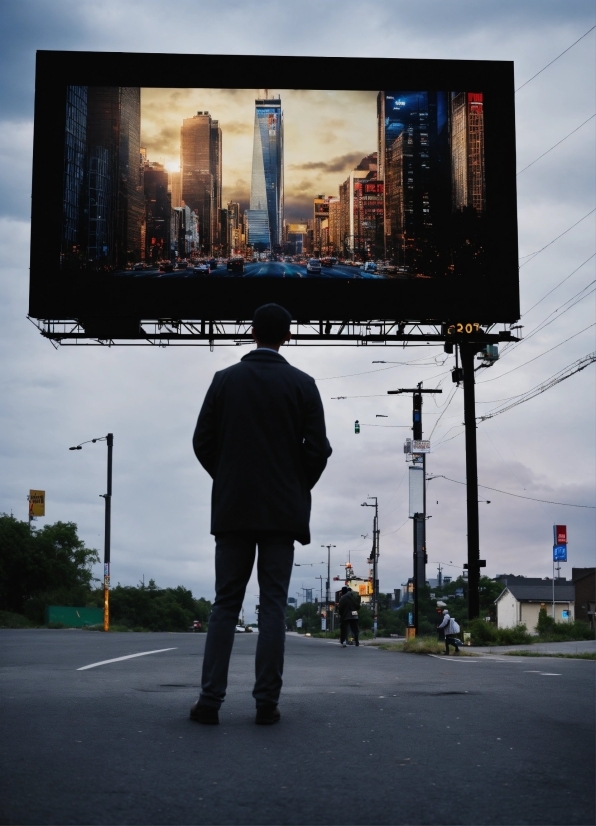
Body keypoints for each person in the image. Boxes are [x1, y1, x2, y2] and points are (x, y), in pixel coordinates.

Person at [190, 303, 332, 725]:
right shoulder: (302, 384)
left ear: (252, 332)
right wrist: (292, 485)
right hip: (281, 514)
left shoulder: (223, 381)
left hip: (233, 509)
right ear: (287, 336)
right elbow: (318, 450)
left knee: (225, 605)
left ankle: (210, 703)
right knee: (273, 607)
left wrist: (231, 477)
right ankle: (266, 704)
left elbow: (202, 442)